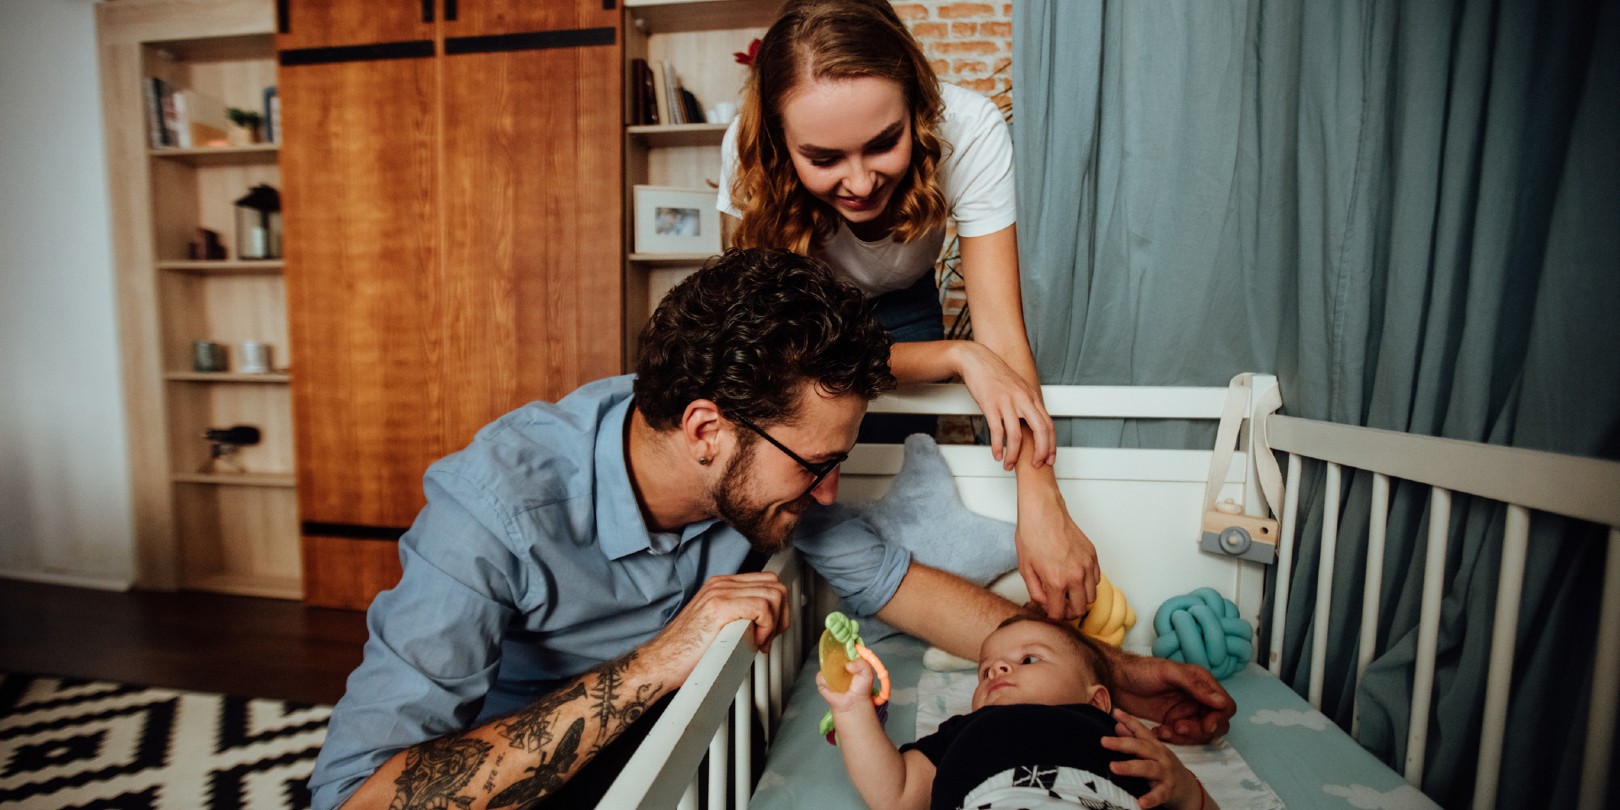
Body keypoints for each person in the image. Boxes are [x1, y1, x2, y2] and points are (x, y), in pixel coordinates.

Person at [308, 248, 1233, 809]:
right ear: (708, 429)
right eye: (816, 465)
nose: (830, 494)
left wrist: (1114, 673)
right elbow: (356, 795)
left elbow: (898, 583)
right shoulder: (495, 508)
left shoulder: (762, 488)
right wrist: (657, 665)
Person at [719, 0, 1101, 620]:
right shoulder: (745, 148)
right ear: (779, 143)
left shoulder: (969, 126)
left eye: (884, 144)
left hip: (905, 303)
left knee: (889, 486)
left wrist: (1043, 504)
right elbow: (766, 345)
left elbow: (1002, 332)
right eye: (823, 159)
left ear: (919, 112)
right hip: (795, 327)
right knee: (801, 482)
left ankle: (894, 623)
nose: (862, 182)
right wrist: (956, 354)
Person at [819, 615, 1217, 810]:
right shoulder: (966, 730)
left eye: (1028, 659)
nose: (998, 669)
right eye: (985, 669)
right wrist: (853, 708)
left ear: (1096, 700)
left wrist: (1182, 786)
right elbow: (896, 793)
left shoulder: (1117, 732)